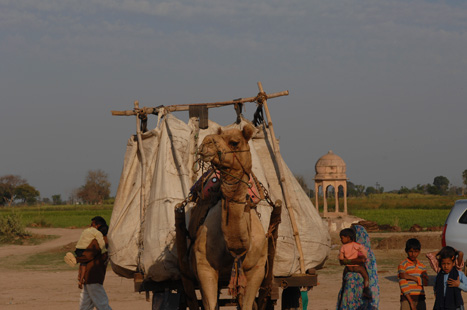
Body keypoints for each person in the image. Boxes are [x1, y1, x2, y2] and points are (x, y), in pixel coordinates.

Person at [71, 216, 112, 310]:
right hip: (91, 277)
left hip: (92, 275)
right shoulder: (104, 239)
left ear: (98, 226)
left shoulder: (98, 240)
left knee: (102, 304)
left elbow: (88, 255)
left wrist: (76, 259)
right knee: (85, 306)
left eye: (92, 224)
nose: (90, 227)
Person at [336, 225, 380, 310]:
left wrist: (348, 262)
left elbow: (364, 263)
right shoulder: (349, 248)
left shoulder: (365, 251)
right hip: (350, 285)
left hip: (361, 287)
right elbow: (342, 261)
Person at [73, 219, 107, 289]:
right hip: (85, 250)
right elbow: (101, 243)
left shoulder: (86, 230)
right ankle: (81, 279)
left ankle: (80, 277)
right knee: (84, 263)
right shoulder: (97, 234)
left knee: (82, 264)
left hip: (78, 248)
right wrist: (103, 250)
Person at [339, 228, 371, 299]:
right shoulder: (357, 245)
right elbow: (364, 255)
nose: (341, 240)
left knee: (344, 278)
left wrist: (347, 260)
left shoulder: (343, 247)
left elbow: (341, 259)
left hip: (348, 267)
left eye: (342, 238)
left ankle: (343, 290)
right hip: (357, 267)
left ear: (348, 237)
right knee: (366, 276)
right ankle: (366, 290)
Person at [398, 238, 428, 310]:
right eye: (410, 251)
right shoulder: (403, 265)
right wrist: (411, 303)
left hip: (420, 298)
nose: (413, 254)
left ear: (419, 251)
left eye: (416, 251)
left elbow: (426, 282)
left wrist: (411, 277)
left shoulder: (422, 266)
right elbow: (403, 284)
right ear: (406, 251)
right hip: (406, 298)